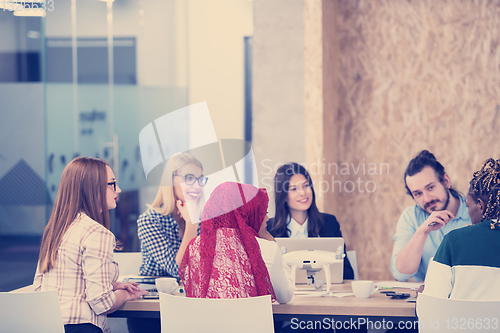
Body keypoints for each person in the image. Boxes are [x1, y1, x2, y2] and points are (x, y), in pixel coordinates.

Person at [33, 157, 148, 333]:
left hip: (47, 325)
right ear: (92, 189)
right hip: (82, 328)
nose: (118, 189)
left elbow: (45, 287)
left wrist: (111, 285)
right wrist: (126, 294)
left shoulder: (56, 229)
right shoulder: (96, 233)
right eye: (112, 184)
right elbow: (102, 304)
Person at [177, 181, 294, 304]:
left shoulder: (194, 246)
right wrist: (274, 247)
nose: (267, 219)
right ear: (246, 214)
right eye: (262, 213)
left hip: (206, 323)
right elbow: (285, 296)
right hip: (251, 323)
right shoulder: (266, 247)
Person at [423, 158, 500, 299]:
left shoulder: (454, 241)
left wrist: (422, 297)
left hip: (463, 322)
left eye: (467, 206)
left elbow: (431, 306)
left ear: (480, 205)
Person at [391, 150, 471, 282]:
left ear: (446, 181)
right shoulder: (411, 217)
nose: (427, 199)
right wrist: (422, 232)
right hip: (428, 296)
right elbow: (401, 274)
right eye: (418, 194)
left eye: (430, 188)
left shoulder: (474, 212)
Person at [266, 162, 354, 280]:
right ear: (284, 196)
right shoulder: (270, 229)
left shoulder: (329, 222)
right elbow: (268, 276)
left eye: (306, 186)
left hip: (326, 294)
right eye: (294, 189)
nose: (303, 192)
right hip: (288, 297)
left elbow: (348, 273)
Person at [137, 152, 207, 278]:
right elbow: (179, 271)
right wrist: (191, 224)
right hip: (155, 295)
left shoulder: (204, 220)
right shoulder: (149, 221)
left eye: (200, 179)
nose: (197, 186)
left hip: (190, 294)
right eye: (189, 178)